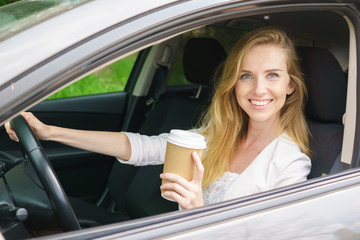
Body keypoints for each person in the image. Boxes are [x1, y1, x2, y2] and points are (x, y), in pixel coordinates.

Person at [5, 27, 311, 210]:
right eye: (246, 76)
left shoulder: (290, 164)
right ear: (234, 83)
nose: (259, 89)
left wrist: (196, 209)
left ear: (291, 85)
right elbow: (139, 147)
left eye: (272, 75)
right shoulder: (215, 134)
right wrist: (50, 132)